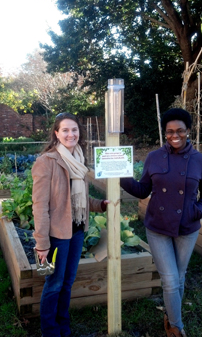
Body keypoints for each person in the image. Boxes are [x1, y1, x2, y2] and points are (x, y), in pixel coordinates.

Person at [120, 108, 202, 337]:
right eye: (169, 132)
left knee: (180, 276)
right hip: (158, 226)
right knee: (169, 279)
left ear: (188, 131)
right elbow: (142, 189)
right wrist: (120, 174)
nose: (175, 135)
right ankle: (177, 328)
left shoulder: (199, 160)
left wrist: (197, 210)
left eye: (180, 131)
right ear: (164, 133)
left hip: (187, 227)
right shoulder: (154, 157)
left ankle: (170, 316)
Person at [32, 112, 109, 337]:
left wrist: (100, 204)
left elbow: (79, 200)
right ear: (56, 133)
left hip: (76, 230)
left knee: (67, 282)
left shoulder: (78, 159)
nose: (70, 134)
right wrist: (42, 243)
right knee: (54, 283)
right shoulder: (47, 162)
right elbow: (40, 206)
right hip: (56, 234)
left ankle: (63, 326)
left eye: (74, 130)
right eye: (65, 130)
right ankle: (50, 330)